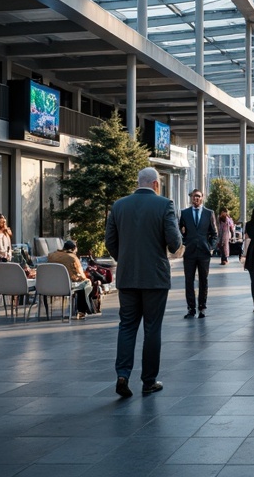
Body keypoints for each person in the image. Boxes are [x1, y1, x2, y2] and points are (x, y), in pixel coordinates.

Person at [105, 167, 182, 398]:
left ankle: (122, 374)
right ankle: (148, 381)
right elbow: (174, 242)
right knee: (152, 329)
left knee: (127, 326)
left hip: (128, 277)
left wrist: (126, 260)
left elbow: (110, 241)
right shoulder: (164, 205)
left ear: (138, 182)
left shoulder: (119, 205)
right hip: (155, 278)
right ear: (156, 184)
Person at [179, 188, 217, 318]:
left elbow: (214, 234)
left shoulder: (209, 213)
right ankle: (191, 308)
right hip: (189, 252)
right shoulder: (184, 213)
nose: (196, 198)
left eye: (198, 196)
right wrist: (184, 243)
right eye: (194, 196)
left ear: (202, 198)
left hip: (204, 252)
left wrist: (210, 247)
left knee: (203, 280)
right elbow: (179, 231)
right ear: (191, 198)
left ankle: (202, 307)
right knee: (189, 280)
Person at [48, 240, 95, 319]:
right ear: (74, 248)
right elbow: (80, 275)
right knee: (86, 283)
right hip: (67, 286)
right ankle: (82, 311)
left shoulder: (51, 255)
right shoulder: (73, 257)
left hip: (51, 286)